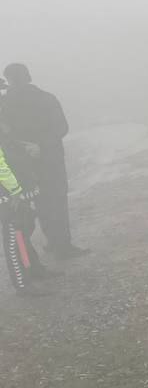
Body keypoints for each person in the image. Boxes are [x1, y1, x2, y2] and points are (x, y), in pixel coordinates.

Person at [0, 63, 88, 259]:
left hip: (23, 164)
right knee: (57, 201)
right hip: (52, 159)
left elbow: (5, 136)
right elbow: (62, 128)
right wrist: (42, 145)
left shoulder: (4, 104)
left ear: (8, 80)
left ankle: (37, 257)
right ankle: (62, 244)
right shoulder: (46, 98)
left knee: (35, 207)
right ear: (28, 76)